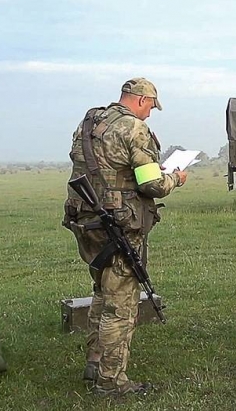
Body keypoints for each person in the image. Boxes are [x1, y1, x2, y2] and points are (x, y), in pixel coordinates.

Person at [62, 78, 187, 395]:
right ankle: (111, 381)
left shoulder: (89, 122)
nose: (150, 114)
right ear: (142, 100)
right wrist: (175, 177)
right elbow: (151, 185)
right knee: (120, 306)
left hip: (88, 225)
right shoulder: (133, 128)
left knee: (102, 293)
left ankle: (95, 361)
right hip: (119, 228)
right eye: (151, 107)